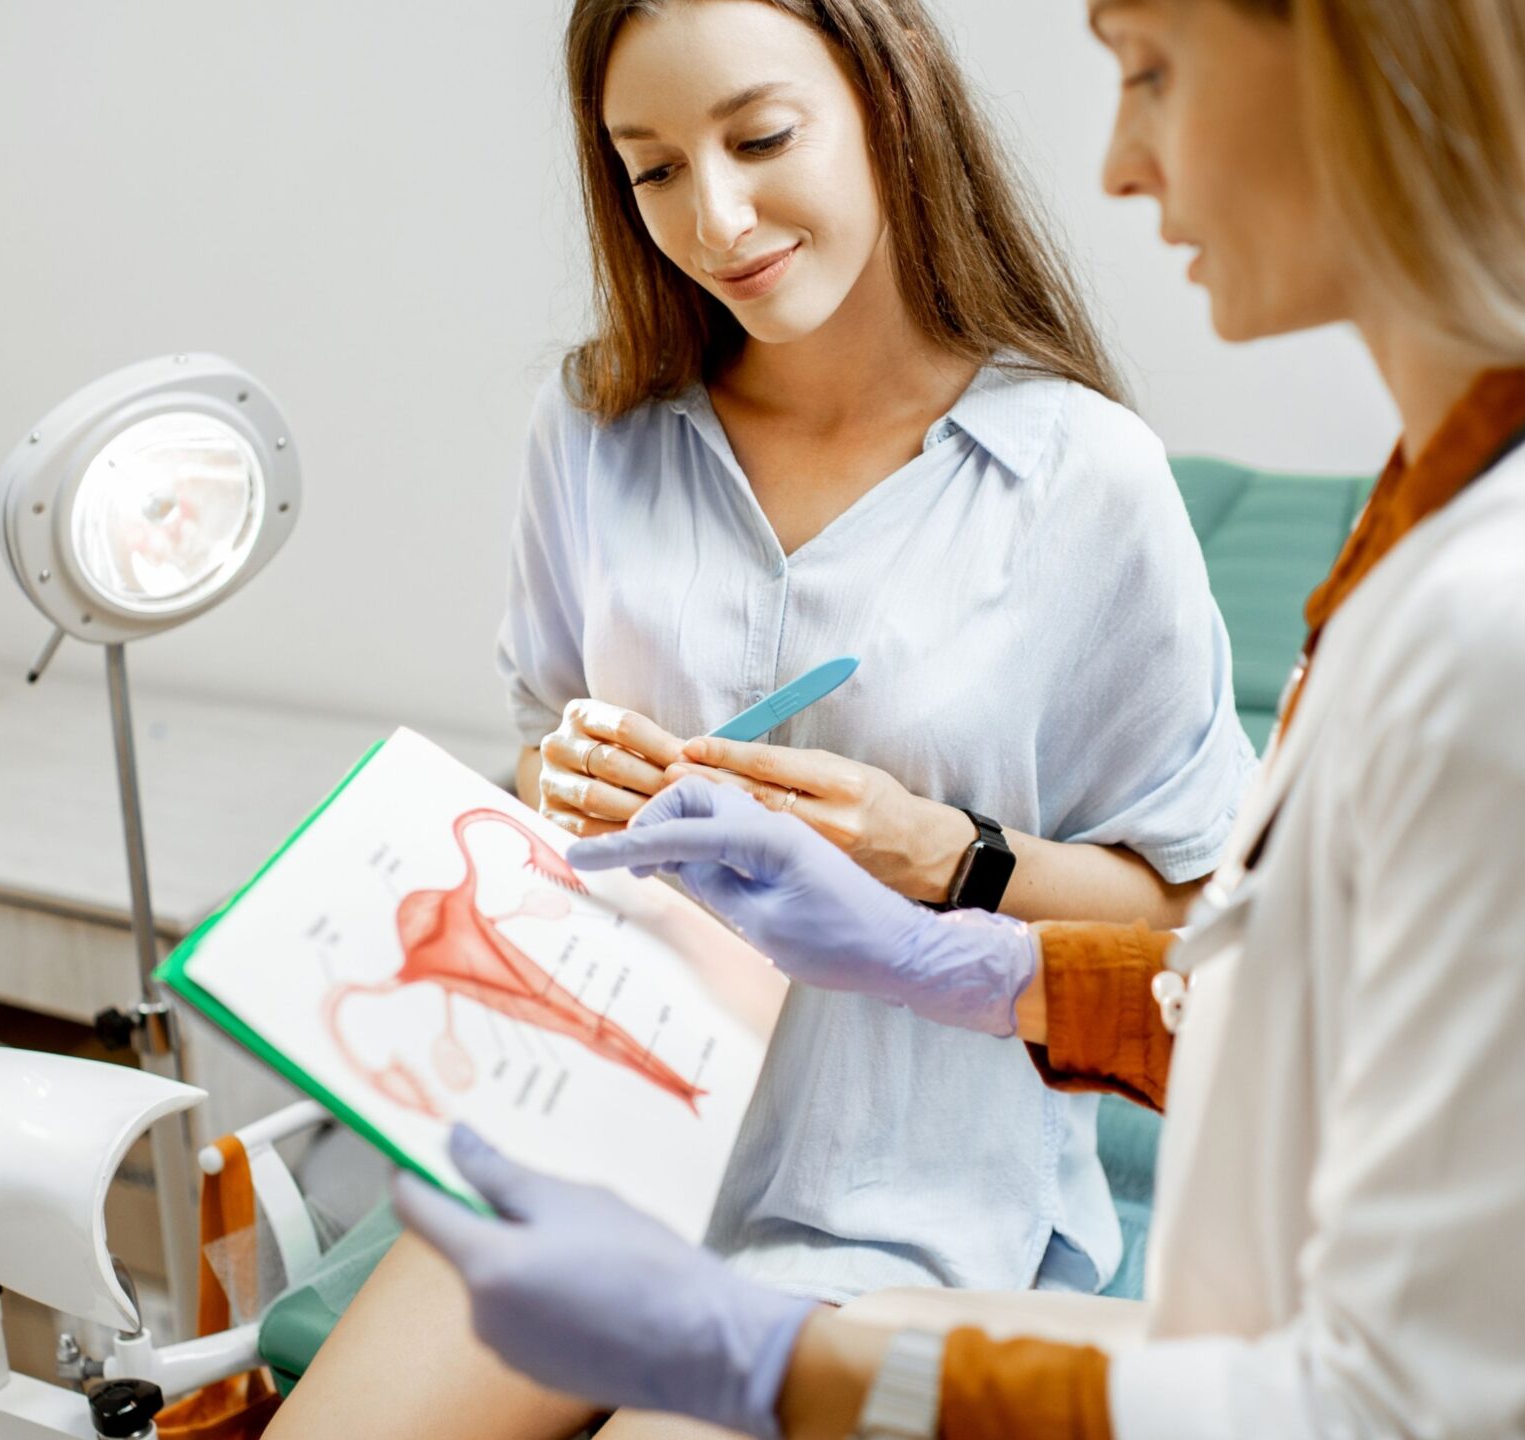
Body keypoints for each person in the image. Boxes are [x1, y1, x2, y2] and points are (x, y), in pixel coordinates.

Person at [391, 0, 1525, 1435]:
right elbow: (1313, 1016)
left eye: (1151, 68)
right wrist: (951, 955)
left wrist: (754, 1354)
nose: (1121, 164)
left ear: (1376, 67)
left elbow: (1396, 1412)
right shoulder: (1471, 501)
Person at [269, 2, 1256, 1435]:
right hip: (593, 1140)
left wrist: (942, 854)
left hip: (890, 1211)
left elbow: (1188, 905)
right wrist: (569, 772)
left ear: (889, 100)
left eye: (762, 137)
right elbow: (541, 743)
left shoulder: (1084, 480)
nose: (715, 217)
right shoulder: (593, 425)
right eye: (652, 168)